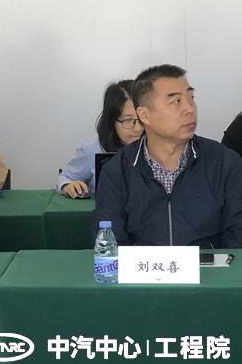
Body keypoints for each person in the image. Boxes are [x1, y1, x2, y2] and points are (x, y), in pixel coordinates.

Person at [93, 64, 242, 247]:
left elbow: (237, 235)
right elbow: (111, 241)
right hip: (142, 265)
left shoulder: (225, 163)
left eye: (191, 98)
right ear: (145, 116)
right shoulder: (116, 171)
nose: (189, 109)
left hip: (208, 264)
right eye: (176, 101)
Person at [57, 80, 143, 198]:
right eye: (128, 120)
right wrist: (68, 186)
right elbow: (65, 178)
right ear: (111, 120)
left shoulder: (159, 148)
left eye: (142, 118)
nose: (138, 128)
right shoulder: (92, 149)